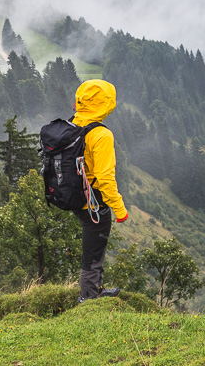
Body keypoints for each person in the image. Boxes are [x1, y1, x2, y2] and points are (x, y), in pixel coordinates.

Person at [71, 79, 129, 302]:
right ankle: (88, 297)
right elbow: (105, 178)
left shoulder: (73, 124)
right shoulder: (101, 135)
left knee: (95, 245)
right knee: (94, 251)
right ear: (107, 103)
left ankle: (96, 289)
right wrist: (120, 209)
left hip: (75, 195)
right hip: (92, 202)